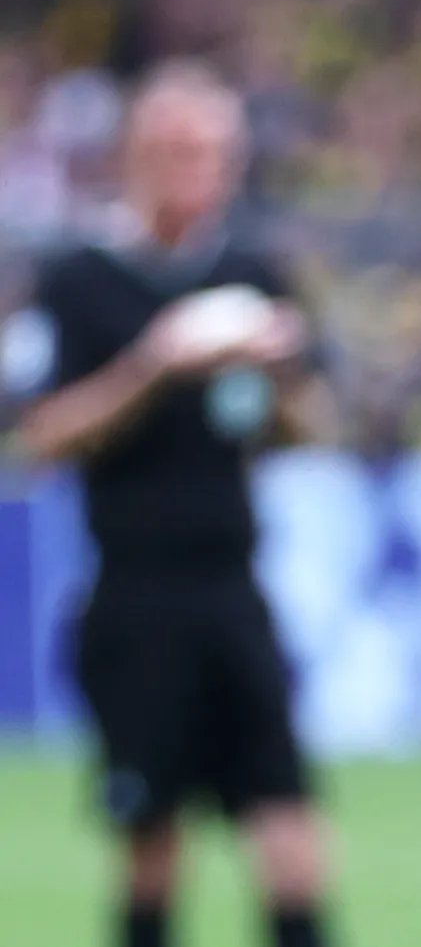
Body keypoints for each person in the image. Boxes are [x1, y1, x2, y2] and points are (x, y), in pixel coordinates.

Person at [2, 62, 338, 947]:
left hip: (234, 590)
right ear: (137, 157)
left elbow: (307, 432)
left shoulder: (251, 273)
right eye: (184, 151)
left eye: (219, 153)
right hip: (134, 595)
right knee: (152, 843)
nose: (205, 171)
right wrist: (154, 366)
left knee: (290, 832)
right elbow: (43, 436)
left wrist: (279, 374)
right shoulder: (80, 281)